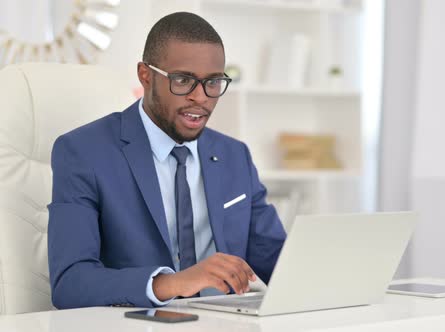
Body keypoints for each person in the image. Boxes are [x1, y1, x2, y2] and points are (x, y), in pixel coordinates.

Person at [47, 12, 286, 309]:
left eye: (213, 82)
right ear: (146, 76)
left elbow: (280, 263)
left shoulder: (234, 156)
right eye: (183, 80)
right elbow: (69, 284)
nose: (201, 97)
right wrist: (174, 282)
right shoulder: (84, 152)